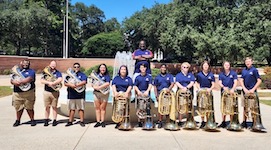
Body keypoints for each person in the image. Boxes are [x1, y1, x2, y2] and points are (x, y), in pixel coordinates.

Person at [11, 59, 36, 127]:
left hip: (28, 93)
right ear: (21, 63)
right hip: (17, 93)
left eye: (27, 63)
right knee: (18, 108)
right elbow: (12, 79)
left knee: (29, 108)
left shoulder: (31, 71)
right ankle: (18, 120)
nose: (25, 64)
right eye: (24, 63)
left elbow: (30, 78)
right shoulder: (17, 71)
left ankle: (32, 120)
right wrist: (14, 82)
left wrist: (20, 82)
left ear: (29, 64)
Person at [239, 57, 262, 128]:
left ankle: (254, 123)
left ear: (252, 62)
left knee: (253, 108)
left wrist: (253, 89)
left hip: (252, 92)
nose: (247, 63)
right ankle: (244, 122)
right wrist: (244, 88)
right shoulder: (244, 70)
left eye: (249, 61)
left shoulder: (254, 70)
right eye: (246, 62)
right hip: (245, 91)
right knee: (245, 107)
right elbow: (241, 80)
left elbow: (259, 80)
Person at [64, 63, 87, 127]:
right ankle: (70, 121)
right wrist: (71, 85)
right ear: (73, 67)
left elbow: (84, 81)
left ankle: (82, 121)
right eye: (75, 67)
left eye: (77, 67)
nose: (76, 68)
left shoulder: (82, 74)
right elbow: (65, 83)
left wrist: (76, 85)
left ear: (79, 68)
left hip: (80, 94)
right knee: (71, 109)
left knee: (81, 109)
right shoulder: (69, 75)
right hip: (71, 94)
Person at [40, 61, 63, 126]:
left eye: (54, 64)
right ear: (49, 65)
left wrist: (53, 83)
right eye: (52, 64)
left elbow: (60, 79)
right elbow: (41, 80)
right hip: (47, 92)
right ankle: (46, 120)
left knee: (54, 107)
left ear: (56, 65)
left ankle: (54, 120)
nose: (53, 65)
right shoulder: (45, 72)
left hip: (55, 92)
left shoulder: (58, 72)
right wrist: (48, 83)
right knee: (47, 107)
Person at [153, 64, 174, 128]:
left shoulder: (169, 76)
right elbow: (155, 86)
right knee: (161, 109)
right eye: (162, 67)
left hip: (168, 94)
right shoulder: (157, 77)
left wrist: (169, 89)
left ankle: (168, 121)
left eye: (164, 68)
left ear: (166, 69)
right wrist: (156, 95)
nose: (163, 69)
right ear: (160, 69)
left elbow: (172, 83)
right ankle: (160, 121)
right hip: (160, 94)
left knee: (168, 108)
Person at [218, 61, 238, 128]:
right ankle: (223, 121)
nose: (227, 66)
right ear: (223, 66)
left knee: (231, 107)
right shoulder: (221, 74)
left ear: (230, 66)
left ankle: (231, 121)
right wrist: (223, 87)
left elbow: (235, 82)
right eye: (225, 65)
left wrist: (233, 89)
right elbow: (220, 82)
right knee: (224, 106)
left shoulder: (233, 73)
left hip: (231, 91)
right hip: (224, 91)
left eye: (228, 65)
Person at [195, 61, 215, 128]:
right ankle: (203, 121)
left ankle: (208, 121)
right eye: (204, 65)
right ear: (202, 66)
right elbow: (197, 83)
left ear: (208, 66)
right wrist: (199, 88)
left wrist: (210, 89)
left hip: (208, 92)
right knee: (202, 107)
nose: (205, 66)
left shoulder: (211, 75)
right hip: (202, 93)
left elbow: (213, 84)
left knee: (208, 107)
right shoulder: (199, 74)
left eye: (207, 65)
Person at [175, 62, 195, 126]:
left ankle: (188, 120)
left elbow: (192, 82)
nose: (185, 68)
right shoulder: (178, 75)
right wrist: (182, 88)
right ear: (181, 68)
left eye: (187, 67)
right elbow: (177, 82)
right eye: (184, 67)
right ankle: (180, 121)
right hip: (180, 93)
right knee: (180, 107)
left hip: (188, 92)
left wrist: (186, 88)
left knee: (188, 107)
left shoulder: (191, 75)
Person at [91, 64, 110, 128]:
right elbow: (92, 84)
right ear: (99, 68)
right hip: (96, 93)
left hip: (104, 93)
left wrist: (99, 87)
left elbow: (107, 83)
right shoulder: (96, 76)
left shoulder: (107, 76)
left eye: (104, 68)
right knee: (97, 108)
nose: (103, 69)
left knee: (103, 108)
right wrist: (95, 87)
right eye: (101, 67)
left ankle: (102, 121)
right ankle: (98, 121)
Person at [134, 63, 153, 127]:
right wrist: (138, 92)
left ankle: (146, 122)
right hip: (139, 94)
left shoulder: (149, 77)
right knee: (139, 108)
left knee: (147, 108)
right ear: (140, 69)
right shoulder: (137, 77)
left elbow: (150, 85)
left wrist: (147, 91)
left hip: (146, 94)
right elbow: (135, 86)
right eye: (141, 67)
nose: (143, 69)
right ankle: (139, 122)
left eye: (144, 68)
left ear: (146, 68)